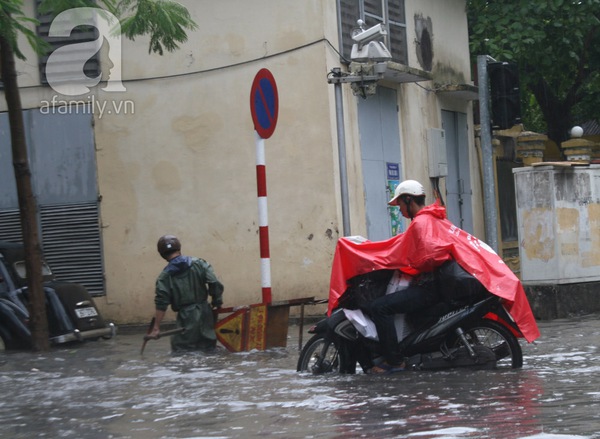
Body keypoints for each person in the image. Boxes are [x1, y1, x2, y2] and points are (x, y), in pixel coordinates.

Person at [366, 180, 444, 373]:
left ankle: (395, 361)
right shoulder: (431, 218)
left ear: (409, 200)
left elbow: (427, 256)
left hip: (428, 287)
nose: (399, 209)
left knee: (380, 307)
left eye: (400, 204)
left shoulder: (420, 222)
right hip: (436, 283)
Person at [149, 235, 224, 351]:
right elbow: (214, 281)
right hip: (206, 313)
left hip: (186, 317)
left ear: (162, 254)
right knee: (209, 348)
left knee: (182, 351)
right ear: (179, 248)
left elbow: (161, 303)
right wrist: (217, 302)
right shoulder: (199, 263)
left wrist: (156, 328)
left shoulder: (164, 277)